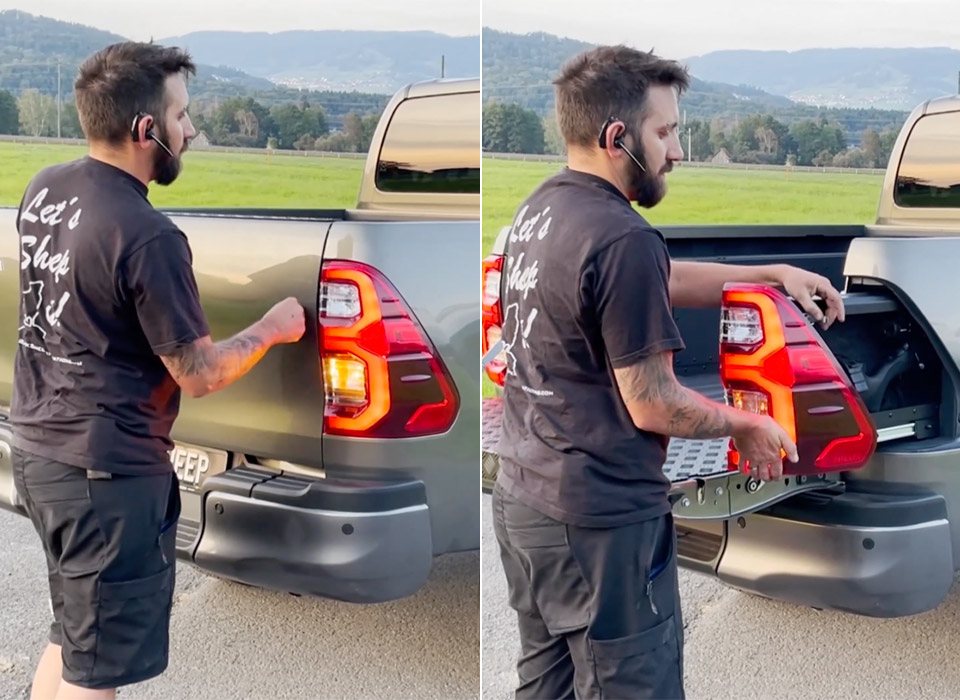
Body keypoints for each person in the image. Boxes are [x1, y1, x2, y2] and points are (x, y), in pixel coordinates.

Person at [492, 45, 846, 700]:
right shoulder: (621, 237)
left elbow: (654, 279)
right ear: (616, 137)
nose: (676, 151)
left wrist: (770, 275)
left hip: (525, 500)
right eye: (666, 132)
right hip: (598, 519)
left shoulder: (541, 211)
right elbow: (652, 404)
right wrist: (745, 423)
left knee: (547, 685)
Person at [11, 42, 305, 700]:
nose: (191, 130)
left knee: (74, 634)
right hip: (104, 480)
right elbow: (197, 372)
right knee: (100, 669)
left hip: (39, 457)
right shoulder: (148, 236)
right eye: (183, 116)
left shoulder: (45, 188)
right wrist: (273, 327)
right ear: (148, 131)